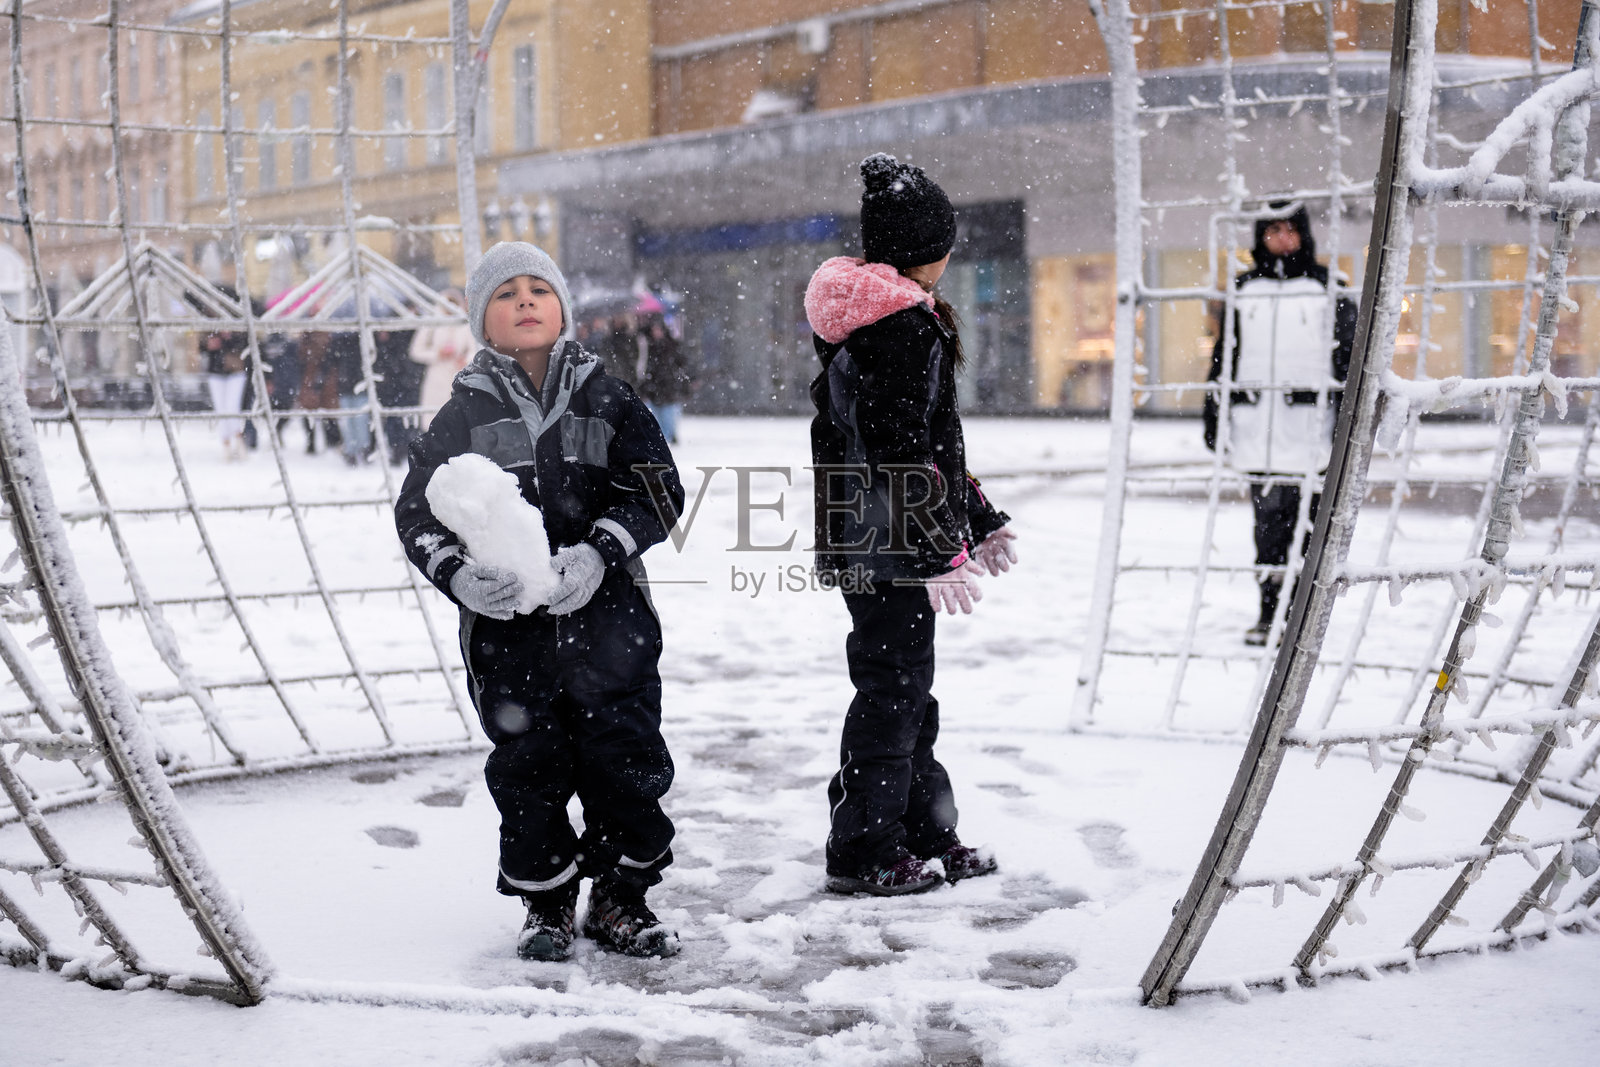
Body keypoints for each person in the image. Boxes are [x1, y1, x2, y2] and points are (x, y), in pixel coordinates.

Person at [395, 242, 686, 962]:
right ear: (482, 322)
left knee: (624, 761)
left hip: (610, 627)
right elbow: (417, 512)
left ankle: (622, 895)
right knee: (530, 767)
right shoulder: (461, 414)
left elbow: (658, 489)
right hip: (509, 638)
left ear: (561, 309)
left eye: (538, 289)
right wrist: (459, 574)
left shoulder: (610, 397)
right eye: (505, 294)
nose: (524, 301)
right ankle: (547, 899)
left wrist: (600, 550)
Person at [805, 154, 1018, 897]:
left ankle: (924, 829)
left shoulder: (886, 321)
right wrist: (935, 549)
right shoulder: (898, 329)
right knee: (892, 694)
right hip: (887, 544)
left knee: (906, 691)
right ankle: (862, 846)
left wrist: (979, 519)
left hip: (878, 539)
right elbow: (899, 450)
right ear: (932, 251)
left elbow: (929, 444)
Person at [1204, 203, 1356, 645]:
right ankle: (1269, 614)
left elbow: (1347, 360)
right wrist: (1213, 412)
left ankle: (1302, 616)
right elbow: (1223, 358)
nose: (1282, 239)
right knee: (1267, 530)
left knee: (1310, 529)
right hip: (1257, 431)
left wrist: (1346, 421)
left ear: (1303, 234)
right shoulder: (1243, 290)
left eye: (1290, 230)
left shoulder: (1328, 287)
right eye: (1273, 230)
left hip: (1311, 428)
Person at [200, 285, 251, 461]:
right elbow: (202, 346)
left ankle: (238, 441)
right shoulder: (208, 320)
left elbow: (245, 344)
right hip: (216, 371)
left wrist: (228, 339)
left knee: (232, 407)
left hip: (235, 370)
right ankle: (227, 444)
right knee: (222, 409)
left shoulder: (238, 319)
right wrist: (209, 344)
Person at [634, 303, 692, 445]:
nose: (656, 332)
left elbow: (681, 362)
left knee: (668, 413)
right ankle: (662, 436)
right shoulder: (648, 345)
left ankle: (668, 436)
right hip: (654, 385)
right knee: (658, 414)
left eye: (659, 329)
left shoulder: (671, 344)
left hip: (667, 385)